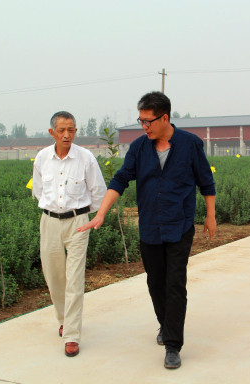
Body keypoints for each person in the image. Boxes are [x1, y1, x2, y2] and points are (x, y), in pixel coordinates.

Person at [78, 92, 216, 369]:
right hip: (150, 226)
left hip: (179, 225)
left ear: (164, 118)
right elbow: (121, 179)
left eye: (148, 121)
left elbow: (206, 181)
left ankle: (173, 345)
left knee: (175, 283)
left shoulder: (190, 144)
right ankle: (165, 323)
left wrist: (210, 216)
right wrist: (101, 213)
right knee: (155, 282)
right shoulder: (139, 147)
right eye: (140, 121)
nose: (144, 126)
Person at [32, 111, 107, 357]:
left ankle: (72, 334)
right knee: (54, 276)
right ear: (52, 132)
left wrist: (87, 216)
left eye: (71, 130)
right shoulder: (42, 158)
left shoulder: (85, 158)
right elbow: (39, 191)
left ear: (76, 131)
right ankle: (64, 318)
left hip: (78, 222)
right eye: (62, 130)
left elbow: (98, 191)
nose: (67, 134)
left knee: (74, 278)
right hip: (49, 221)